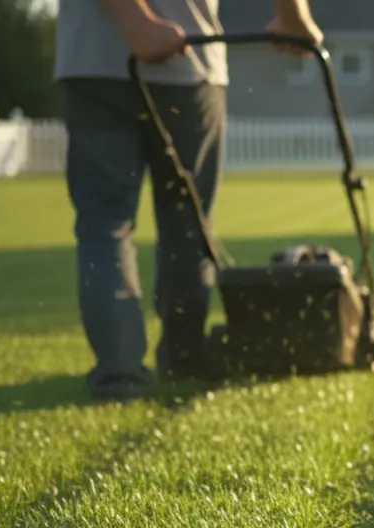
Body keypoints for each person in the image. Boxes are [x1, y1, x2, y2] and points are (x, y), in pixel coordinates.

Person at [54, 0, 323, 401]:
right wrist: (295, 19)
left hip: (95, 60)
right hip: (188, 64)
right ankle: (178, 362)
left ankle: (127, 374)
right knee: (181, 223)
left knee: (107, 223)